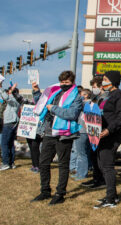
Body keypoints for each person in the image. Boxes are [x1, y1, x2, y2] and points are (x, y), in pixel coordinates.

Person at [31, 71, 83, 205]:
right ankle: (45, 191)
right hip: (49, 132)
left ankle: (60, 193)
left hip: (64, 135)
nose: (64, 85)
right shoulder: (55, 92)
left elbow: (72, 114)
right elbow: (42, 104)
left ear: (72, 82)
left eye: (67, 82)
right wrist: (36, 92)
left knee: (63, 164)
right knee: (43, 162)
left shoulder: (76, 96)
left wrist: (53, 108)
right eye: (62, 82)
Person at [94, 71, 121, 209]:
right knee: (101, 164)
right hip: (100, 135)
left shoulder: (120, 96)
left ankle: (110, 199)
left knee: (107, 167)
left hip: (111, 135)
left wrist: (108, 130)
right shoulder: (106, 95)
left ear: (113, 81)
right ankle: (112, 194)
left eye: (105, 79)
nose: (103, 82)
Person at [81, 76, 107, 189]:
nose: (93, 89)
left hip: (101, 131)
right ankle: (96, 178)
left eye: (94, 87)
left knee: (99, 158)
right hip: (93, 131)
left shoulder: (106, 98)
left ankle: (101, 180)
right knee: (93, 156)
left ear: (101, 86)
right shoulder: (96, 98)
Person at [70, 89, 92, 180]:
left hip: (83, 131)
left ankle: (82, 174)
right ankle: (80, 172)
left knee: (81, 154)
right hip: (81, 130)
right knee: (82, 153)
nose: (80, 96)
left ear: (86, 95)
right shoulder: (87, 104)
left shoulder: (87, 104)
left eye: (82, 94)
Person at [0, 82, 20, 170]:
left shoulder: (12, 99)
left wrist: (0, 87)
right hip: (13, 122)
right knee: (10, 143)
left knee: (4, 143)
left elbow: (6, 97)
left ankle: (5, 163)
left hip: (9, 123)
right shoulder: (17, 100)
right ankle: (11, 163)